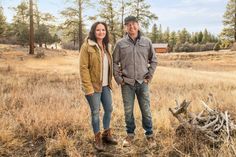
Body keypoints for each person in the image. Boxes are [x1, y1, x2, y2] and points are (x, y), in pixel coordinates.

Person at [113, 16, 157, 147]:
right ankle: (130, 135)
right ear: (125, 27)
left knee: (146, 110)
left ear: (138, 25)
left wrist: (149, 76)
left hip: (142, 83)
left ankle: (149, 135)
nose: (131, 27)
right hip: (127, 83)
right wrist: (119, 79)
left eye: (134, 24)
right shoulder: (120, 44)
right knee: (128, 111)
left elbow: (154, 60)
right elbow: (115, 63)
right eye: (128, 25)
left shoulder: (146, 42)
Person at [79, 22, 118, 151]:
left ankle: (107, 134)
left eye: (103, 30)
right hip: (93, 87)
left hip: (106, 85)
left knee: (109, 109)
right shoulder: (87, 46)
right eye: (98, 30)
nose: (101, 32)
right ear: (93, 31)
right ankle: (97, 138)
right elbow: (83, 68)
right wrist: (88, 88)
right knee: (95, 112)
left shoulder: (107, 46)